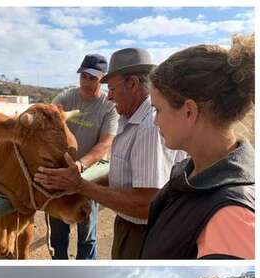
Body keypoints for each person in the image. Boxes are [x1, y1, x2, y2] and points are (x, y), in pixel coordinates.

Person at [35, 48, 186, 259]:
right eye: (84, 76)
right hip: (127, 219)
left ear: (132, 83)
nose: (111, 96)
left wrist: (80, 183)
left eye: (112, 88)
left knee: (87, 237)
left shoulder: (147, 127)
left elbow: (145, 204)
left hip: (143, 230)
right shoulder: (128, 118)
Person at [141, 35, 254, 259]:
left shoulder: (232, 217)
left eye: (158, 110)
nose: (155, 121)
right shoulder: (192, 172)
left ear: (189, 111)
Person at [49, 54, 118, 259]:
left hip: (87, 172)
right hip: (61, 172)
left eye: (93, 78)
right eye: (84, 76)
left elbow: (105, 142)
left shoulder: (109, 105)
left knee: (87, 233)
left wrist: (80, 165)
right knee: (58, 231)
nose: (87, 82)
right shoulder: (64, 99)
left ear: (103, 79)